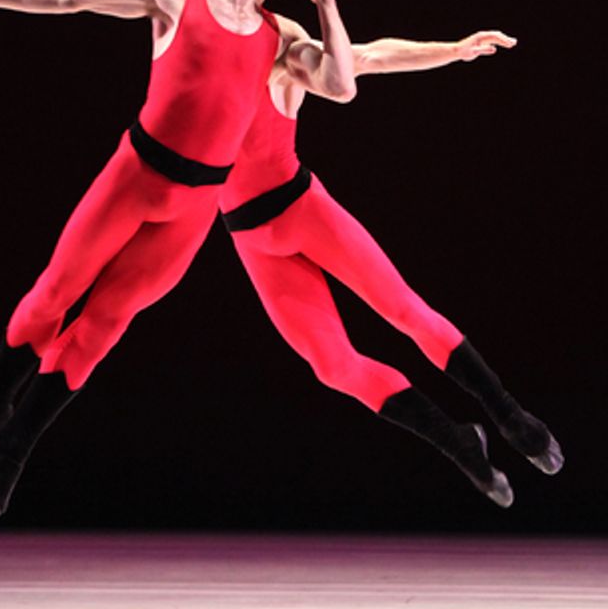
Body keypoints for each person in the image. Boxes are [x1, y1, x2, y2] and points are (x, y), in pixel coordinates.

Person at [0, 0, 357, 534]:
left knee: (104, 325)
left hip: (195, 208)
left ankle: (11, 450)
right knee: (54, 297)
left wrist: (326, 0)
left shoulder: (279, 33)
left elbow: (343, 86)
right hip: (136, 178)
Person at [220, 30, 563, 507]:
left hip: (302, 211)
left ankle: (508, 414)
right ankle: (457, 440)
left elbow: (368, 57)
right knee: (332, 366)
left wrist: (451, 51)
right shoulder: (190, 50)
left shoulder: (276, 43)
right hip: (250, 236)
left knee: (405, 312)